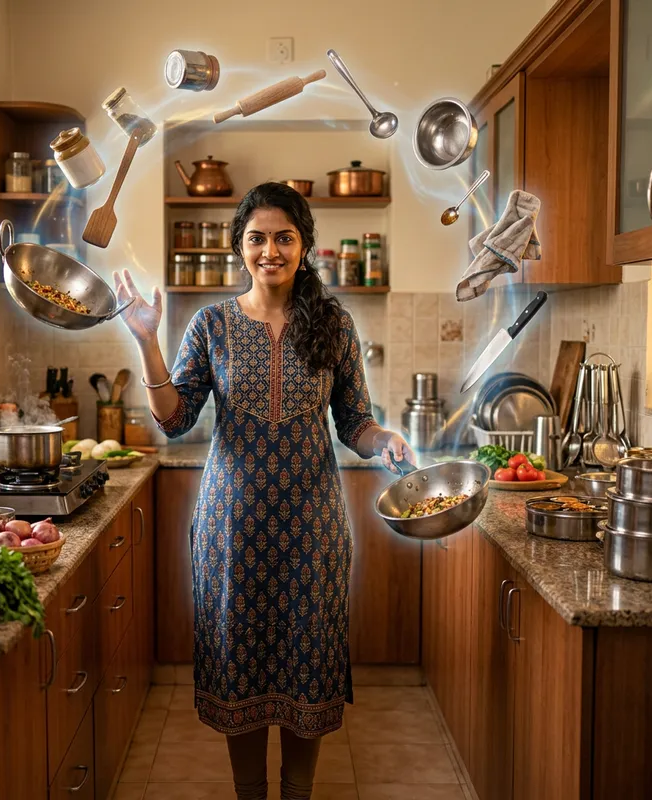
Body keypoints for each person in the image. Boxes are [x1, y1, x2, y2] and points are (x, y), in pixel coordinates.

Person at [114, 182, 414, 800]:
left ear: (304, 246)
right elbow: (174, 420)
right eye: (257, 238)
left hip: (312, 530)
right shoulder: (211, 325)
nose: (270, 250)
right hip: (233, 529)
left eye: (284, 237)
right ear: (239, 247)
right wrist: (146, 340)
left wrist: (383, 439)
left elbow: (354, 421)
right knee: (239, 667)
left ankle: (297, 793)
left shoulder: (333, 324)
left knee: (309, 665)